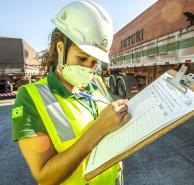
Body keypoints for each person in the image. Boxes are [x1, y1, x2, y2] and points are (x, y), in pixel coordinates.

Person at [12, 1, 131, 185]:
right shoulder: (30, 97)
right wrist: (98, 129)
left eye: (94, 62)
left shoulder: (97, 83)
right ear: (60, 48)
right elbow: (45, 177)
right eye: (82, 58)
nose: (88, 68)